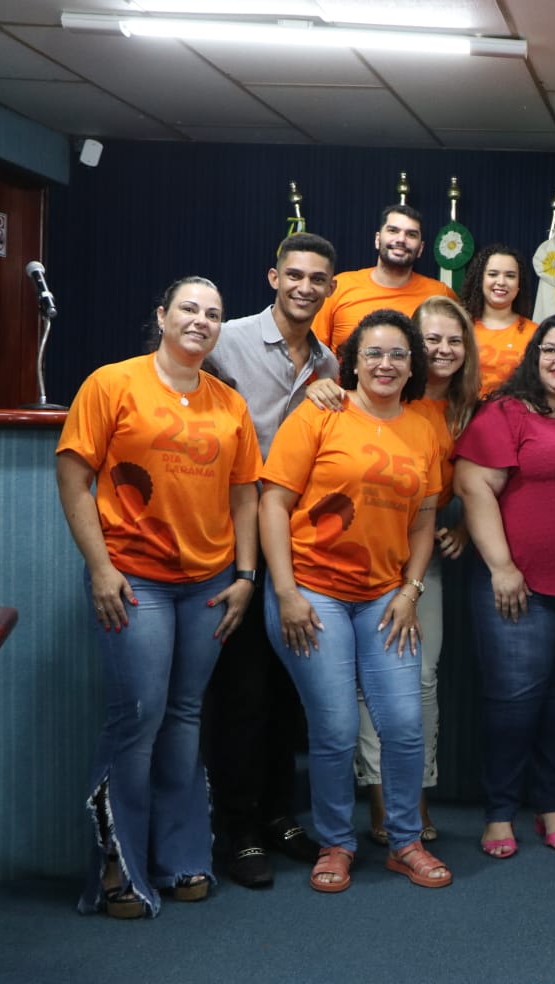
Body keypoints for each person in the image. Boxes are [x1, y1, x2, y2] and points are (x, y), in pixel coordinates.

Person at [59, 277, 262, 918]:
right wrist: (99, 568)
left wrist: (246, 577)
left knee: (184, 717)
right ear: (163, 316)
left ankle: (183, 860)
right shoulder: (112, 383)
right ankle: (119, 863)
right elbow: (73, 473)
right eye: (189, 309)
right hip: (134, 578)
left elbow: (245, 494)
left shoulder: (229, 404)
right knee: (138, 718)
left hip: (209, 583)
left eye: (213, 313)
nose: (200, 320)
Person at [260, 309, 450, 893]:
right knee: (337, 728)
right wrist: (286, 592)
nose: (386, 364)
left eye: (397, 354)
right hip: (312, 592)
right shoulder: (322, 412)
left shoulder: (424, 425)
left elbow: (425, 519)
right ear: (353, 361)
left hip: (384, 599)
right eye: (374, 354)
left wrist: (410, 590)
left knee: (402, 723)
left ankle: (404, 842)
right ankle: (336, 843)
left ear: (412, 363)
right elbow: (272, 502)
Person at [305, 295, 479, 846]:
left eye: (454, 340)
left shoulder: (473, 407)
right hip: (347, 561)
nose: (442, 349)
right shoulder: (357, 399)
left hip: (417, 559)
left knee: (420, 683)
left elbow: (491, 479)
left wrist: (468, 528)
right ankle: (382, 804)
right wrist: (320, 386)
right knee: (361, 694)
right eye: (429, 340)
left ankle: (412, 801)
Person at [204, 233, 339, 889]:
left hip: (294, 540)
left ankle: (281, 815)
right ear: (273, 278)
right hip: (231, 537)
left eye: (318, 279)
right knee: (243, 690)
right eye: (295, 275)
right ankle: (238, 829)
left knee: (290, 690)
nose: (305, 287)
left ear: (329, 288)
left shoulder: (330, 363)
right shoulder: (224, 339)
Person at [455, 314, 555, 859]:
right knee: (513, 703)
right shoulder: (507, 411)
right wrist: (501, 566)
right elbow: (473, 486)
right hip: (517, 586)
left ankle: (552, 804)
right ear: (533, 356)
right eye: (550, 350)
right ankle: (499, 811)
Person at [312, 204, 457, 350]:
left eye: (411, 234)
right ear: (377, 239)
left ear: (420, 248)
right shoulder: (339, 287)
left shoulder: (440, 294)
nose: (401, 239)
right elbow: (313, 354)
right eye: (393, 231)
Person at [462, 243, 536, 396]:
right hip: (464, 415)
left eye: (510, 276)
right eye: (493, 274)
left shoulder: (535, 333)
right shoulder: (461, 327)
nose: (501, 282)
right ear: (480, 280)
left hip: (514, 416)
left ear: (519, 284)